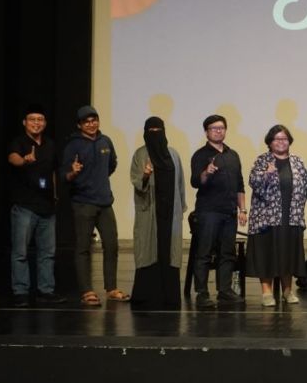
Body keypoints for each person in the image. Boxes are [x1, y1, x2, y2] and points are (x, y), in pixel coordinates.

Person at [63, 105, 129, 306]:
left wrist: (98, 180)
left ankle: (111, 288)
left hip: (105, 202)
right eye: (87, 121)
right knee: (83, 248)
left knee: (111, 245)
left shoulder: (105, 141)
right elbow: (65, 175)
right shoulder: (73, 145)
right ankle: (87, 291)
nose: (91, 124)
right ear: (79, 125)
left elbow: (112, 164)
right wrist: (74, 172)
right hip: (83, 203)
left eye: (94, 120)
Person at [7, 103, 66, 307]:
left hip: (47, 207)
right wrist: (24, 160)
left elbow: (53, 171)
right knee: (20, 253)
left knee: (47, 253)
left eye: (40, 120)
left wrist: (55, 195)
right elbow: (12, 158)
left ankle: (45, 291)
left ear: (45, 123)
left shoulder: (50, 144)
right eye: (32, 119)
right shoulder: (19, 142)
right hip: (25, 206)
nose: (36, 123)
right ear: (24, 122)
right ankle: (20, 291)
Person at [246, 125, 307, 307]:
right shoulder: (263, 160)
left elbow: (306, 186)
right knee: (267, 253)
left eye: (284, 139)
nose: (281, 142)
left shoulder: (297, 161)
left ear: (289, 141)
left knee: (287, 253)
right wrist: (266, 174)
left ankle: (287, 291)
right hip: (267, 217)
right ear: (270, 142)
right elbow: (253, 182)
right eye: (277, 139)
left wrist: (297, 206)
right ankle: (267, 292)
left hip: (291, 216)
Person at [190, 115, 247, 308]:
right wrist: (206, 172)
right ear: (206, 132)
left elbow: (240, 184)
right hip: (209, 211)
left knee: (227, 253)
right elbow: (195, 182)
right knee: (204, 252)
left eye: (221, 128)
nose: (218, 131)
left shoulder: (233, 155)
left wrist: (242, 209)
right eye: (214, 128)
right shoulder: (200, 155)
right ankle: (202, 293)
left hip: (229, 211)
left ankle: (225, 290)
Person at [129, 117, 187, 310]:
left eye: (158, 130)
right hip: (150, 211)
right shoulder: (140, 154)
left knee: (169, 252)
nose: (155, 135)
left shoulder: (173, 154)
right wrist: (146, 175)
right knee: (148, 250)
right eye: (151, 131)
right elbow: (137, 181)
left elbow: (180, 183)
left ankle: (170, 296)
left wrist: (181, 207)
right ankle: (146, 296)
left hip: (170, 213)